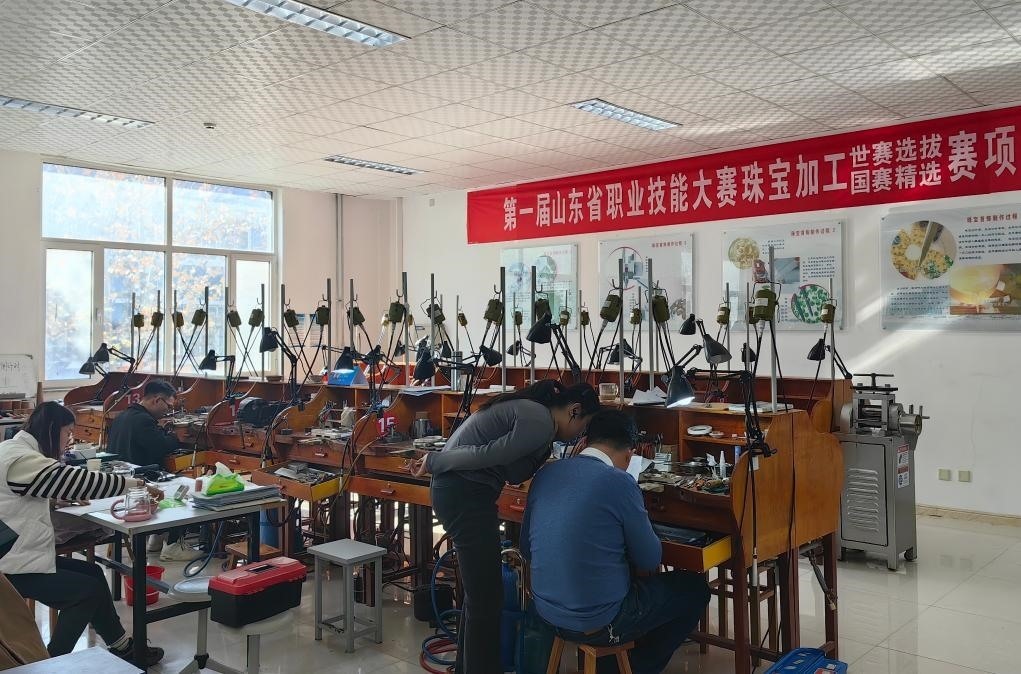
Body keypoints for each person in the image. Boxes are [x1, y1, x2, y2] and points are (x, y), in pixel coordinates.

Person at [411, 379, 600, 674]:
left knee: (481, 594)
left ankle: (467, 668)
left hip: (464, 492)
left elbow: (508, 469)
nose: (580, 435)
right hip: (465, 493)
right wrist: (436, 461)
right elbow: (484, 455)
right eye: (583, 426)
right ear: (574, 410)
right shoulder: (540, 420)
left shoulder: (537, 418)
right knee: (487, 597)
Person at [522, 409, 710, 674]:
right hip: (599, 621)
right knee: (694, 589)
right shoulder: (620, 482)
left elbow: (526, 548)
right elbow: (650, 559)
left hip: (545, 613)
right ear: (630, 454)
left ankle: (615, 663)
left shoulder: (545, 474)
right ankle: (630, 668)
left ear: (585, 441)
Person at [0, 402, 165, 667]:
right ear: (52, 430)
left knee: (93, 573)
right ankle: (47, 664)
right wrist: (135, 485)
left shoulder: (12, 449)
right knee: (84, 592)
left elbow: (15, 497)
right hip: (9, 567)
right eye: (67, 433)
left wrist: (53, 499)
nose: (68, 441)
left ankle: (122, 647)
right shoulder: (23, 459)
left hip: (15, 555)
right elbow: (80, 481)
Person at [106, 379, 192, 561]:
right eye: (168, 406)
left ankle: (156, 539)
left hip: (124, 478)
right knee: (183, 488)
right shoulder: (143, 420)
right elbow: (160, 447)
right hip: (140, 482)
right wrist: (176, 437)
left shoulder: (123, 416)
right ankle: (173, 546)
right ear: (156, 400)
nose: (168, 411)